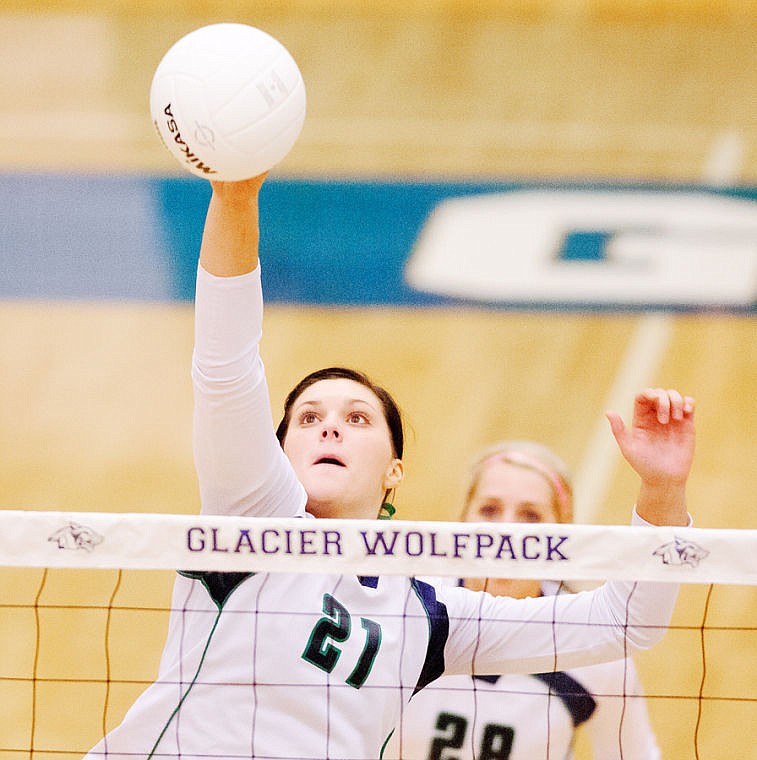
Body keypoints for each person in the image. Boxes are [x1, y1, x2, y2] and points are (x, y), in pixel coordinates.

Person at [85, 175, 695, 760]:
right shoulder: (250, 521)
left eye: (357, 419)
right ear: (278, 454)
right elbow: (225, 366)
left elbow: (626, 621)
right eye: (307, 418)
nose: (328, 425)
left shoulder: (426, 616)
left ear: (393, 471)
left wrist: (663, 488)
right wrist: (235, 198)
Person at [384, 440, 661, 760]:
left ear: (562, 534)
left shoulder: (595, 648)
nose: (507, 532)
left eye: (530, 515)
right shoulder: (406, 611)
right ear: (462, 521)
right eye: (489, 510)